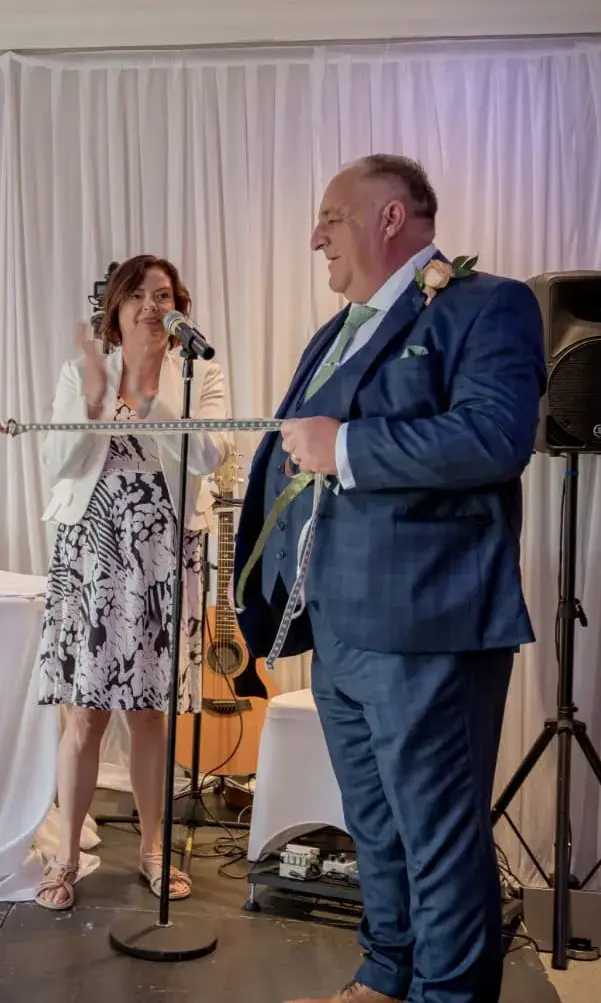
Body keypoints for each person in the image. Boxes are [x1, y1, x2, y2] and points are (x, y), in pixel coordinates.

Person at [232, 155, 545, 1003]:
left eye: (330, 217)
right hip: (339, 626)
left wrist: (347, 449)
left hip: (430, 628)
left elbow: (493, 437)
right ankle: (385, 974)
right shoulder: (334, 333)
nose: (314, 237)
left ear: (390, 217)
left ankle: (447, 995)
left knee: (438, 835)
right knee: (374, 825)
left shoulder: (488, 306)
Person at [33, 254, 233, 911]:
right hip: (90, 553)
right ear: (116, 306)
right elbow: (56, 459)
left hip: (163, 555)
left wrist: (151, 395)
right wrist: (95, 397)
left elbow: (210, 454)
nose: (153, 305)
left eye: (165, 295)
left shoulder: (199, 371)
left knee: (150, 714)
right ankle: (65, 859)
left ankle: (153, 849)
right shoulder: (81, 373)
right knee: (85, 715)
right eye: (141, 294)